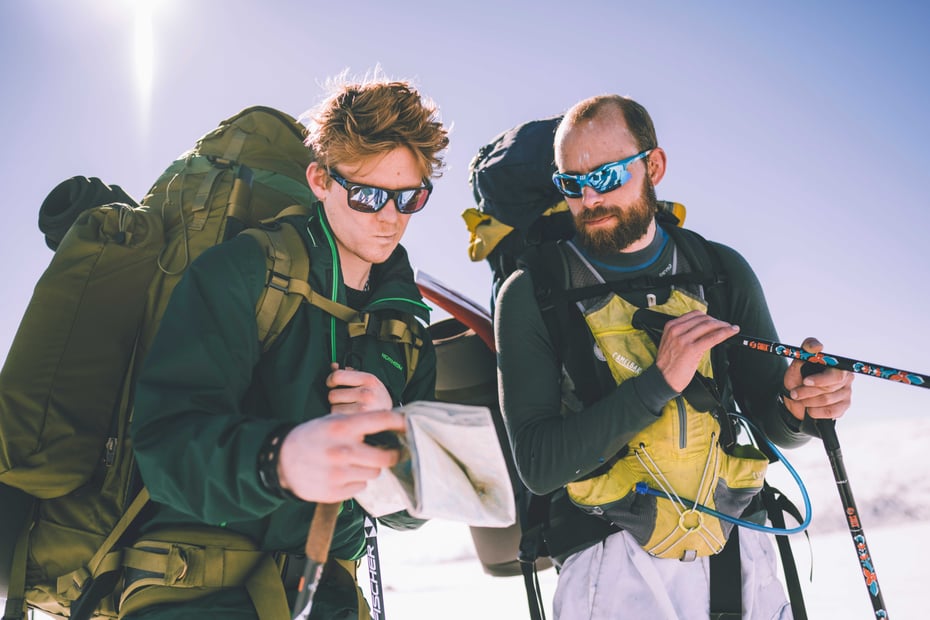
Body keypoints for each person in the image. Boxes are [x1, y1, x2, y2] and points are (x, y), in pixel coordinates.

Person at [494, 94, 854, 619]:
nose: (589, 199)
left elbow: (773, 423)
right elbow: (539, 464)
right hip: (609, 561)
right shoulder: (533, 292)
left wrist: (801, 405)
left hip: (738, 545)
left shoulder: (719, 270)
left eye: (606, 176)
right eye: (571, 184)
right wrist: (659, 381)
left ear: (654, 166)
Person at [129, 75, 449, 619]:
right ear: (320, 181)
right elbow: (165, 449)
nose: (390, 216)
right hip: (194, 588)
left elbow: (412, 513)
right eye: (368, 195)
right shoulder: (245, 272)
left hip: (329, 595)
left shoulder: (406, 328)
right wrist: (278, 460)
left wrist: (393, 435)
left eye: (409, 197)